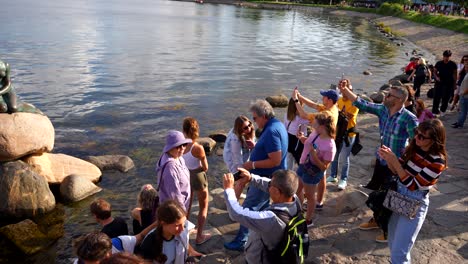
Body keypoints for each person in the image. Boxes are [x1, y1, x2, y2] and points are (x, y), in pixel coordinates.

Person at [339, 84, 418, 242]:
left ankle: (389, 230)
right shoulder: (383, 110)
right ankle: (377, 220)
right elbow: (363, 104)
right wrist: (345, 90)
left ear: (400, 100)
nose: (386, 97)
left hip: (396, 165)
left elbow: (417, 144)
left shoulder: (409, 118)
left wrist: (406, 163)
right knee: (378, 192)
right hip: (381, 160)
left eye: (390, 95)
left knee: (390, 197)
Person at [378, 119, 447, 263]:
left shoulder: (437, 162)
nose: (416, 138)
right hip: (399, 194)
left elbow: (412, 185)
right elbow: (397, 172)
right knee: (392, 242)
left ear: (434, 140)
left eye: (422, 136)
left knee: (399, 252)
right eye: (417, 133)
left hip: (415, 201)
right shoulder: (414, 149)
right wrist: (389, 159)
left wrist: (395, 162)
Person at [224, 99, 288, 251]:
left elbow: (275, 159)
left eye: (254, 118)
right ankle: (259, 233)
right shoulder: (277, 125)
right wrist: (257, 146)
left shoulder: (271, 131)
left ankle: (242, 240)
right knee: (263, 206)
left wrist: (251, 165)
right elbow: (272, 151)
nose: (254, 121)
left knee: (249, 207)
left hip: (264, 177)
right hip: (270, 176)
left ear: (264, 116)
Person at [223, 169, 301, 264]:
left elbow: (236, 213)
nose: (268, 186)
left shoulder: (270, 219)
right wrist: (251, 178)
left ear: (276, 191)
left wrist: (228, 189)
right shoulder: (294, 199)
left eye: (270, 185)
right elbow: (274, 186)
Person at [293, 88, 339, 210]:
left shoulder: (326, 115)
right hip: (321, 143)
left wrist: (295, 100)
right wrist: (300, 96)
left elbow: (303, 115)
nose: (322, 98)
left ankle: (313, 202)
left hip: (320, 147)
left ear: (329, 100)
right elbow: (313, 105)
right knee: (322, 175)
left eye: (324, 97)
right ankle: (319, 201)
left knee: (316, 175)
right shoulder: (332, 108)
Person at [296, 112, 336, 226]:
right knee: (297, 190)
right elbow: (309, 143)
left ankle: (308, 220)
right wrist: (302, 138)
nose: (312, 123)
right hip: (303, 164)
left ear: (322, 126)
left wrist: (314, 155)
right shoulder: (316, 133)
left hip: (313, 172)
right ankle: (299, 213)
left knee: (309, 196)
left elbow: (324, 167)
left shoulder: (330, 146)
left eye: (315, 122)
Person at [138, 200, 203, 263]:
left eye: (184, 223)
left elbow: (185, 244)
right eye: (177, 225)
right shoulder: (149, 243)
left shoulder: (180, 232)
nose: (182, 229)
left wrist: (191, 252)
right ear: (163, 223)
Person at [182, 117, 211, 245]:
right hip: (197, 176)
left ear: (184, 130)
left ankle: (184, 232)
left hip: (185, 175)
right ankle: (199, 237)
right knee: (203, 207)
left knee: (186, 206)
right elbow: (205, 167)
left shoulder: (180, 145)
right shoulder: (197, 148)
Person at [328, 79, 359, 190]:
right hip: (338, 132)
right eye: (343, 91)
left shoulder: (355, 103)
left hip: (349, 134)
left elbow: (350, 116)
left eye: (347, 91)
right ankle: (333, 175)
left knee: (345, 158)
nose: (345, 94)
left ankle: (343, 179)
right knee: (335, 155)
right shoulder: (339, 100)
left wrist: (338, 111)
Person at [156, 130, 193, 213]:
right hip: (175, 212)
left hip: (181, 207)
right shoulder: (170, 167)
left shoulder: (178, 157)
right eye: (178, 146)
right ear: (170, 148)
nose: (182, 148)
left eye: (184, 144)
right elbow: (175, 197)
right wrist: (183, 214)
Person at [283, 98, 309, 170]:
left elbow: (284, 128)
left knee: (289, 162)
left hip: (288, 139)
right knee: (301, 161)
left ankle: (288, 178)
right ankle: (301, 178)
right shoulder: (301, 118)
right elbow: (312, 120)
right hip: (298, 141)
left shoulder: (286, 115)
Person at [432, 50, 458, 116]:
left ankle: (442, 110)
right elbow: (434, 72)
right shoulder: (439, 63)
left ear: (450, 57)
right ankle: (435, 111)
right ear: (443, 56)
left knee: (446, 98)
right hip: (439, 82)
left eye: (448, 57)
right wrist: (436, 77)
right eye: (445, 56)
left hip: (449, 83)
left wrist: (455, 84)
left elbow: (455, 74)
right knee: (436, 97)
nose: (446, 58)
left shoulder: (453, 64)